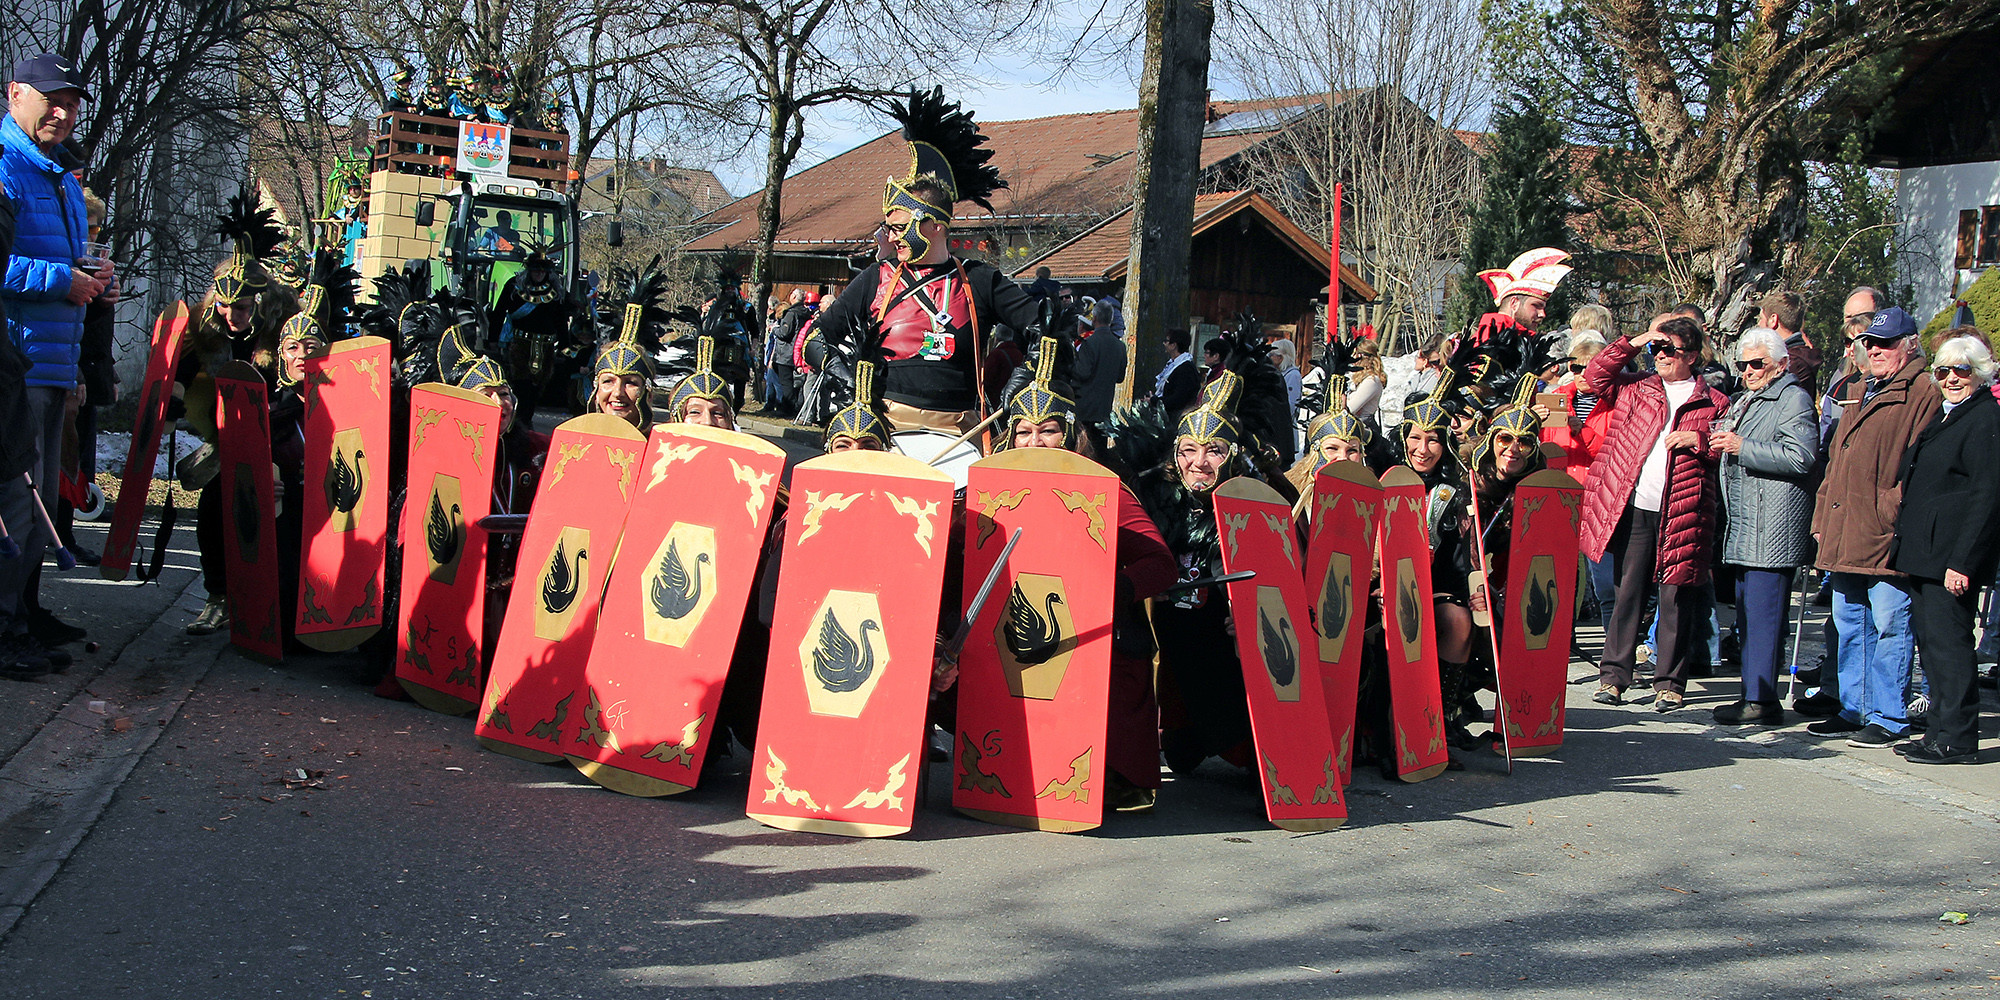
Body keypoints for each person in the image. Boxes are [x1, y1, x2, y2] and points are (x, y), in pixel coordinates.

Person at [996, 338, 1176, 810]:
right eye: (1023, 432)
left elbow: (1160, 564)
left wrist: (1111, 590)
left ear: (1070, 435)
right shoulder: (988, 492)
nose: (1034, 444)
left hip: (1094, 639)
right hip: (1011, 634)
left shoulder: (1106, 491)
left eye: (1048, 431)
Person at [806, 88, 1040, 434]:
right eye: (890, 227)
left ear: (935, 227)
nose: (893, 237)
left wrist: (1023, 375)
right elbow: (815, 338)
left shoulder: (979, 280)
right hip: (883, 429)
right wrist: (843, 375)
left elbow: (1048, 328)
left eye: (900, 227)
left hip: (961, 430)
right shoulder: (875, 278)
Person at [4, 53, 104, 651]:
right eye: (51, 99)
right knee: (16, 499)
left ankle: (26, 611)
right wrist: (59, 279)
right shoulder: (5, 166)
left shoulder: (63, 177)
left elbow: (69, 263)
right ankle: (6, 623)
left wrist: (98, 277)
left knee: (39, 500)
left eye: (71, 103)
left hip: (53, 364)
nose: (63, 113)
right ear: (15, 94)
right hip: (14, 362)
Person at [1578, 314, 1728, 712]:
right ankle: (1613, 678)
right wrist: (1635, 340)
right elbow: (1594, 378)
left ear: (1692, 356)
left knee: (1676, 595)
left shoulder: (1714, 401)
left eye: (1669, 349)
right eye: (1656, 349)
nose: (1660, 356)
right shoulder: (1638, 387)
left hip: (1682, 509)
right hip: (1635, 505)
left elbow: (1725, 448)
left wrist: (1698, 440)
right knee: (1627, 591)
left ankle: (1670, 682)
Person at [1809, 305, 1939, 747]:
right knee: (1850, 622)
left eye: (1886, 343)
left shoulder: (1923, 391)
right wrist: (1822, 516)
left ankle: (1888, 715)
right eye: (1871, 343)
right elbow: (1836, 463)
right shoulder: (1860, 389)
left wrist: (1893, 511)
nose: (1876, 350)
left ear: (1910, 344)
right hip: (1846, 527)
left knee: (1890, 625)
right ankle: (1856, 707)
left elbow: (1921, 467)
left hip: (1886, 532)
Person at [178, 195, 298, 635]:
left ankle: (275, 607)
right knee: (212, 511)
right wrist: (172, 400)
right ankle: (218, 598)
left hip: (281, 436)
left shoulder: (284, 329)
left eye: (242, 308)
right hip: (230, 437)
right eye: (225, 307)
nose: (232, 316)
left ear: (260, 306)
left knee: (281, 517)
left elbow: (307, 378)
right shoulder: (206, 327)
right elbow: (181, 373)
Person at [1890, 331, 2000, 764]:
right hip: (1927, 552)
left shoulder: (1985, 418)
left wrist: (1963, 562)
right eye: (1943, 371)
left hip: (1950, 558)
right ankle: (1937, 731)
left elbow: (1987, 498)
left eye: (1962, 370)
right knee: (1933, 646)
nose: (1951, 378)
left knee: (1951, 647)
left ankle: (1956, 738)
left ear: (1981, 373)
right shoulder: (1950, 414)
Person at [1709, 326, 1819, 725]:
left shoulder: (1793, 399)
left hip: (1772, 527)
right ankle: (1753, 695)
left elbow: (1802, 457)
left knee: (1764, 617)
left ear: (1781, 364)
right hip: (1746, 525)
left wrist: (1742, 447)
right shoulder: (1747, 400)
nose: (1749, 371)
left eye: (1758, 364)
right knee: (1747, 615)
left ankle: (1762, 699)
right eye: (1743, 364)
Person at [488, 248, 574, 426]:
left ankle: (527, 417)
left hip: (545, 347)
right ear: (529, 270)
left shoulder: (555, 292)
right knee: (521, 384)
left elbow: (560, 321)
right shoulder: (514, 286)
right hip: (520, 344)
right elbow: (498, 313)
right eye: (536, 269)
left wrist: (565, 345)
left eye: (543, 270)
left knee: (538, 386)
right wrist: (493, 339)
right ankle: (520, 420)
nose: (539, 273)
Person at [1471, 247, 1571, 344]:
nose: (1542, 314)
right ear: (1514, 303)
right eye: (1536, 305)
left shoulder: (1519, 339)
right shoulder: (1490, 341)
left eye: (1543, 307)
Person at [1072, 299, 1127, 442]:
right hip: (1104, 407)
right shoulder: (1120, 346)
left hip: (1084, 407)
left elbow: (1082, 373)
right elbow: (1120, 377)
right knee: (1100, 450)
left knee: (1082, 448)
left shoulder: (1089, 343)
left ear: (1094, 318)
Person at [766, 289, 815, 418]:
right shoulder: (806, 313)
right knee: (797, 384)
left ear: (793, 296)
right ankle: (790, 407)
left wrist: (774, 329)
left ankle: (788, 409)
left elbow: (785, 333)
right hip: (798, 352)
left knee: (786, 383)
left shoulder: (791, 313)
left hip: (786, 353)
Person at [1155, 328, 1199, 416]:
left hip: (1177, 417)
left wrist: (1155, 401)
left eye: (1166, 341)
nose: (1164, 343)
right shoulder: (1173, 364)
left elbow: (1179, 398)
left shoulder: (1185, 368)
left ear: (1174, 345)